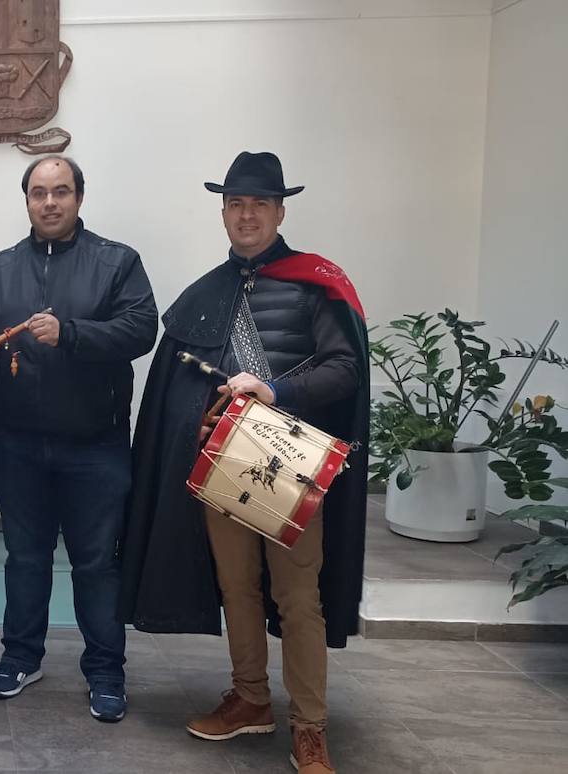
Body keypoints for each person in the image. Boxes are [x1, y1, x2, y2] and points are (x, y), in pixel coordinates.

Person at [119, 151, 369, 774]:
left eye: (259, 203)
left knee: (298, 597)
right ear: (223, 213)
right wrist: (200, 413)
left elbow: (344, 369)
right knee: (237, 589)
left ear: (281, 210)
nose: (246, 214)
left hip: (290, 467)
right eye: (235, 204)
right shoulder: (205, 292)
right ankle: (250, 698)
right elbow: (177, 389)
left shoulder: (318, 282)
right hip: (223, 465)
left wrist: (275, 391)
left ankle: (309, 726)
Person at [0, 156, 158, 722]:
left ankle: (104, 672)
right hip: (18, 444)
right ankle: (20, 656)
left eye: (61, 192)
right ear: (26, 201)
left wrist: (70, 333)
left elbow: (142, 329)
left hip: (95, 445)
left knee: (96, 564)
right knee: (25, 558)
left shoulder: (117, 261)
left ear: (78, 198)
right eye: (39, 193)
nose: (50, 202)